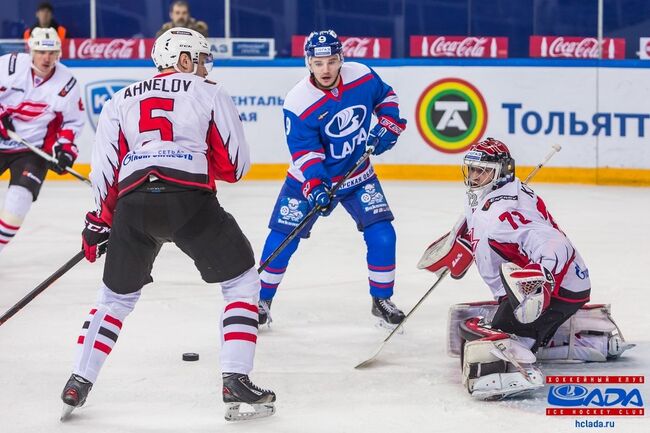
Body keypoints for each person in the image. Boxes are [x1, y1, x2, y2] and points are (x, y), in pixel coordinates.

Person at [59, 27, 275, 422]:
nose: (205, 67)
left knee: (114, 300)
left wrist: (98, 222)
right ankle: (235, 378)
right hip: (190, 202)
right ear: (184, 59)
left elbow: (105, 172)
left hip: (133, 206)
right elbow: (236, 167)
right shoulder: (210, 92)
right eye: (201, 59)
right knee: (242, 282)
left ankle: (78, 381)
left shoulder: (120, 99)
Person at [420, 137, 634, 399]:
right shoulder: (493, 193)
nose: (474, 176)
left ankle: (551, 352)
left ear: (502, 172)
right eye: (472, 169)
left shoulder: (502, 215)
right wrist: (464, 240)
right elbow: (478, 216)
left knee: (498, 337)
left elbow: (556, 244)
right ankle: (588, 338)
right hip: (558, 281)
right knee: (488, 328)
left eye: (482, 170)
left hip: (557, 289)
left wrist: (539, 281)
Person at [256, 30, 407, 328]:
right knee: (283, 238)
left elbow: (386, 96)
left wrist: (389, 124)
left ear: (341, 59)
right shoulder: (299, 101)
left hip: (359, 175)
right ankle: (261, 300)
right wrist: (315, 185)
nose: (326, 69)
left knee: (383, 234)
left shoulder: (362, 76)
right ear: (308, 62)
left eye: (332, 61)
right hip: (307, 181)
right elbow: (304, 151)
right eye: (318, 62)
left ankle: (381, 299)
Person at [0, 28, 83, 254]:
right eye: (41, 52)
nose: (46, 58)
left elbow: (72, 123)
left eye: (52, 52)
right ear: (31, 50)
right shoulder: (9, 66)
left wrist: (66, 152)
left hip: (33, 150)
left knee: (18, 203)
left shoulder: (67, 83)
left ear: (58, 53)